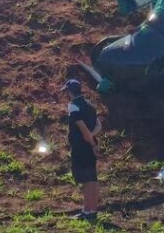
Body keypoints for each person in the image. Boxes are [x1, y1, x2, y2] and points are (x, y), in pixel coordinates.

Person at [62, 79, 103, 221]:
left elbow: (82, 128)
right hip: (90, 145)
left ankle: (86, 211)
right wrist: (93, 141)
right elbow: (99, 126)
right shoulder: (90, 105)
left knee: (86, 180)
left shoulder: (73, 106)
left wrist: (90, 141)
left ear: (69, 92)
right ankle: (93, 210)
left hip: (81, 147)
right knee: (93, 178)